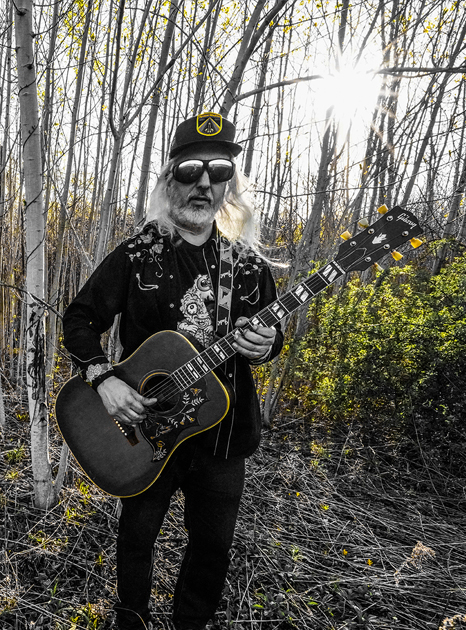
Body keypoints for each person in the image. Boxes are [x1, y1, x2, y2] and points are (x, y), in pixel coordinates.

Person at [61, 111, 284, 630]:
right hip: (145, 433)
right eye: (190, 171)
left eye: (218, 171)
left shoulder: (247, 265)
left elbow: (270, 343)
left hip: (222, 437)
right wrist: (103, 378)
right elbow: (80, 319)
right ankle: (131, 621)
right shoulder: (137, 254)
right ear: (170, 180)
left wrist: (266, 344)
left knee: (212, 550)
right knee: (136, 541)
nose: (204, 184)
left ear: (230, 183)